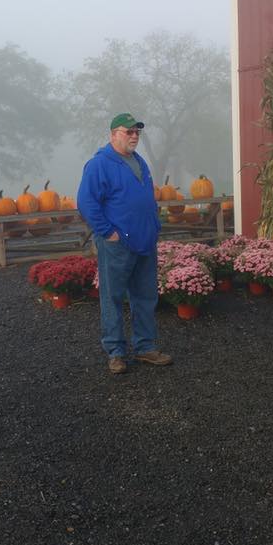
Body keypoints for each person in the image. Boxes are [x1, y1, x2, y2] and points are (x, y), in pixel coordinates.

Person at [77, 113, 173, 375]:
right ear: (112, 134)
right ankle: (116, 353)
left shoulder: (139, 162)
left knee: (145, 297)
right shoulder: (99, 164)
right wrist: (108, 233)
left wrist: (154, 225)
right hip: (117, 245)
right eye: (127, 131)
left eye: (136, 132)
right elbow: (86, 203)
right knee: (113, 298)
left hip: (144, 241)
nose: (133, 136)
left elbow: (146, 198)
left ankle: (145, 347)